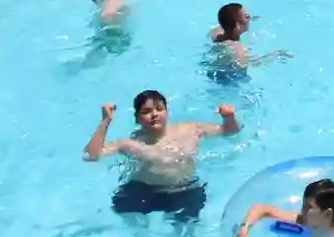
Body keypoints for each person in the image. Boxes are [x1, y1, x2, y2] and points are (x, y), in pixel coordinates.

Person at [84, 90, 241, 220]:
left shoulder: (191, 129)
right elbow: (90, 156)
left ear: (167, 111)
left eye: (159, 109)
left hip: (184, 190)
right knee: (137, 235)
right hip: (141, 192)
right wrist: (106, 121)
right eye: (146, 112)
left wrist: (229, 117)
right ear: (137, 118)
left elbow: (230, 131)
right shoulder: (130, 144)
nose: (154, 114)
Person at [209, 2, 291, 74]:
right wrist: (277, 54)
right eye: (247, 17)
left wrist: (246, 19)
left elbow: (226, 21)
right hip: (229, 78)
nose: (249, 19)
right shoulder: (238, 49)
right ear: (237, 26)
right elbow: (251, 64)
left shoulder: (216, 33)